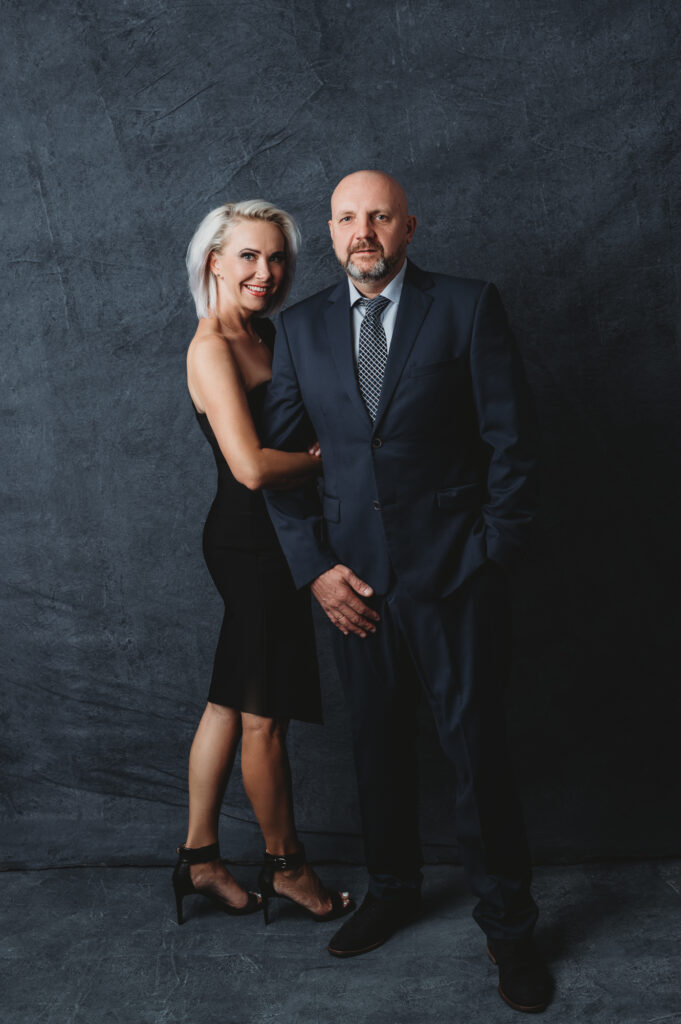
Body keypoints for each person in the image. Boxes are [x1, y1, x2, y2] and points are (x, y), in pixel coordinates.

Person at [261, 172, 551, 1012]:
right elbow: (281, 471)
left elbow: (513, 443)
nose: (363, 232)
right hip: (353, 584)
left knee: (476, 756)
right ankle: (392, 888)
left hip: (455, 577)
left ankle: (509, 930)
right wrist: (315, 570)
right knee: (377, 748)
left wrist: (491, 551)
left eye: (378, 216)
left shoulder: (466, 307)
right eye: (348, 218)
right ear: (330, 230)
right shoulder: (304, 327)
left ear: (408, 228)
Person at [172, 200, 352, 929]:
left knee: (228, 699)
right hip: (248, 545)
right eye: (248, 256)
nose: (266, 272)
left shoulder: (266, 333)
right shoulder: (211, 346)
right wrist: (332, 461)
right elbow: (248, 466)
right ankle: (287, 867)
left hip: (275, 537)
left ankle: (200, 858)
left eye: (276, 258)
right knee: (262, 719)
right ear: (213, 260)